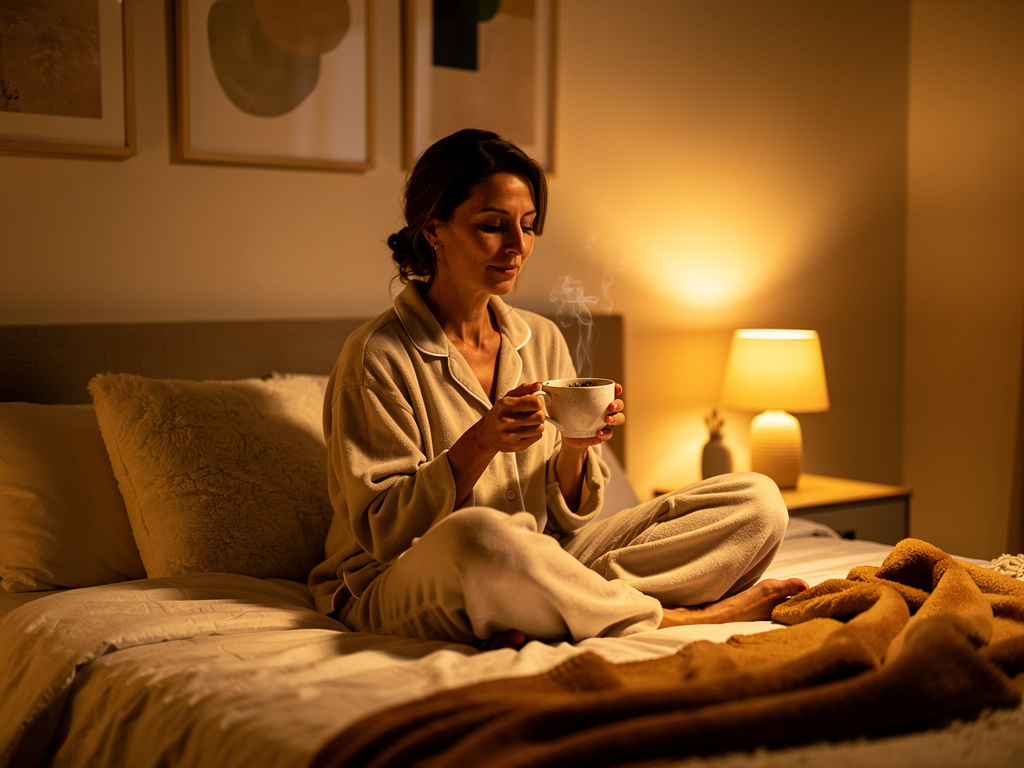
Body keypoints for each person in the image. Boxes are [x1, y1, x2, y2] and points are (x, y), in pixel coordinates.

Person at [308, 128, 806, 648]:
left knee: (758, 502)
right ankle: (672, 618)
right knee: (481, 537)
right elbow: (385, 532)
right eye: (492, 226)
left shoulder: (539, 338)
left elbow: (569, 517)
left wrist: (576, 447)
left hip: (541, 553)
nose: (518, 247)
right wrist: (482, 442)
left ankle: (547, 603)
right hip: (403, 575)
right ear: (434, 230)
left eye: (527, 226)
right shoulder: (376, 356)